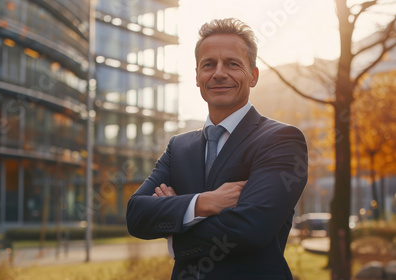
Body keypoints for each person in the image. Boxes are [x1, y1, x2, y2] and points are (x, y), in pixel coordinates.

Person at [127, 18, 308, 279]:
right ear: (198, 77)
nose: (219, 73)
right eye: (208, 65)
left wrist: (175, 231)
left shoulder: (281, 140)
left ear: (253, 76)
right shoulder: (178, 147)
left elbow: (252, 228)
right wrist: (203, 203)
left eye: (232, 64)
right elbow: (136, 215)